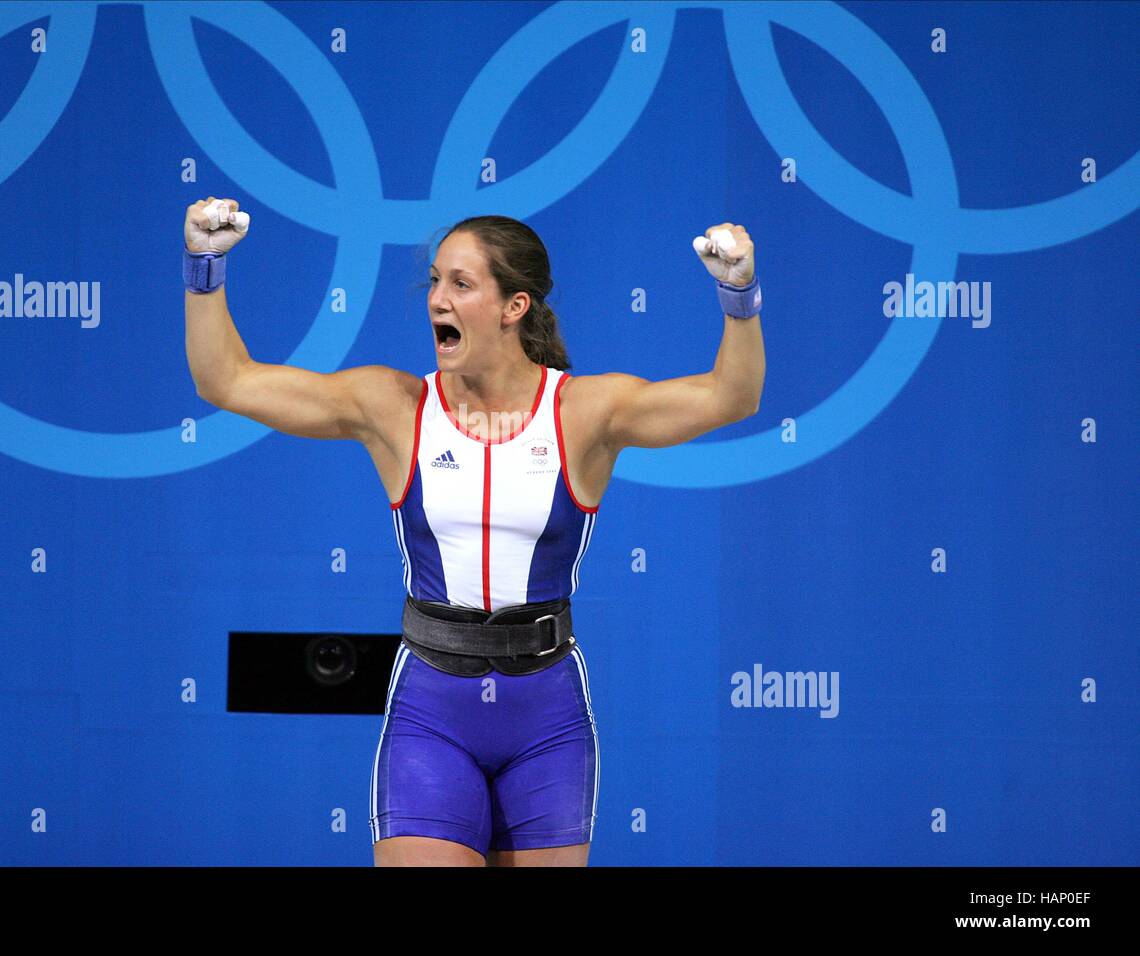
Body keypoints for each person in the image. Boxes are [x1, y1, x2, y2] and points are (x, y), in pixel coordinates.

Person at [182, 199, 765, 866]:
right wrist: (205, 266)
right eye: (434, 281)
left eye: (460, 284)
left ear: (514, 306)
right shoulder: (394, 406)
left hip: (547, 721)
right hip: (431, 713)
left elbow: (732, 396)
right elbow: (223, 380)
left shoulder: (585, 412)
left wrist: (739, 294)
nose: (436, 299)